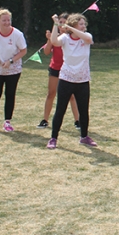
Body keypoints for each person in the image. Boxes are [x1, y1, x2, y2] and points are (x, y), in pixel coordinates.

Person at [47, 13, 96, 149]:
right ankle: (53, 138)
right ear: (74, 24)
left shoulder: (87, 37)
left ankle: (84, 137)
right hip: (66, 79)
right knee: (60, 109)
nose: (84, 26)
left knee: (83, 110)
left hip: (82, 80)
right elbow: (54, 41)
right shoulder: (65, 38)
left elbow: (87, 38)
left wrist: (70, 27)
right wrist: (56, 24)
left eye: (84, 24)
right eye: (80, 24)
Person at [0, 8, 28, 133]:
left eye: (8, 20)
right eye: (4, 20)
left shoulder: (17, 34)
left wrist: (11, 61)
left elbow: (23, 50)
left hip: (13, 70)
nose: (7, 23)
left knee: (10, 94)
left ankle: (7, 122)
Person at [37, 12, 79, 130]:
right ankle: (45, 120)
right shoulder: (55, 37)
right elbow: (46, 52)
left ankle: (77, 120)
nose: (61, 25)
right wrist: (50, 39)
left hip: (69, 69)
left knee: (71, 96)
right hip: (55, 68)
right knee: (51, 94)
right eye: (59, 22)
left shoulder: (72, 37)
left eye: (64, 22)